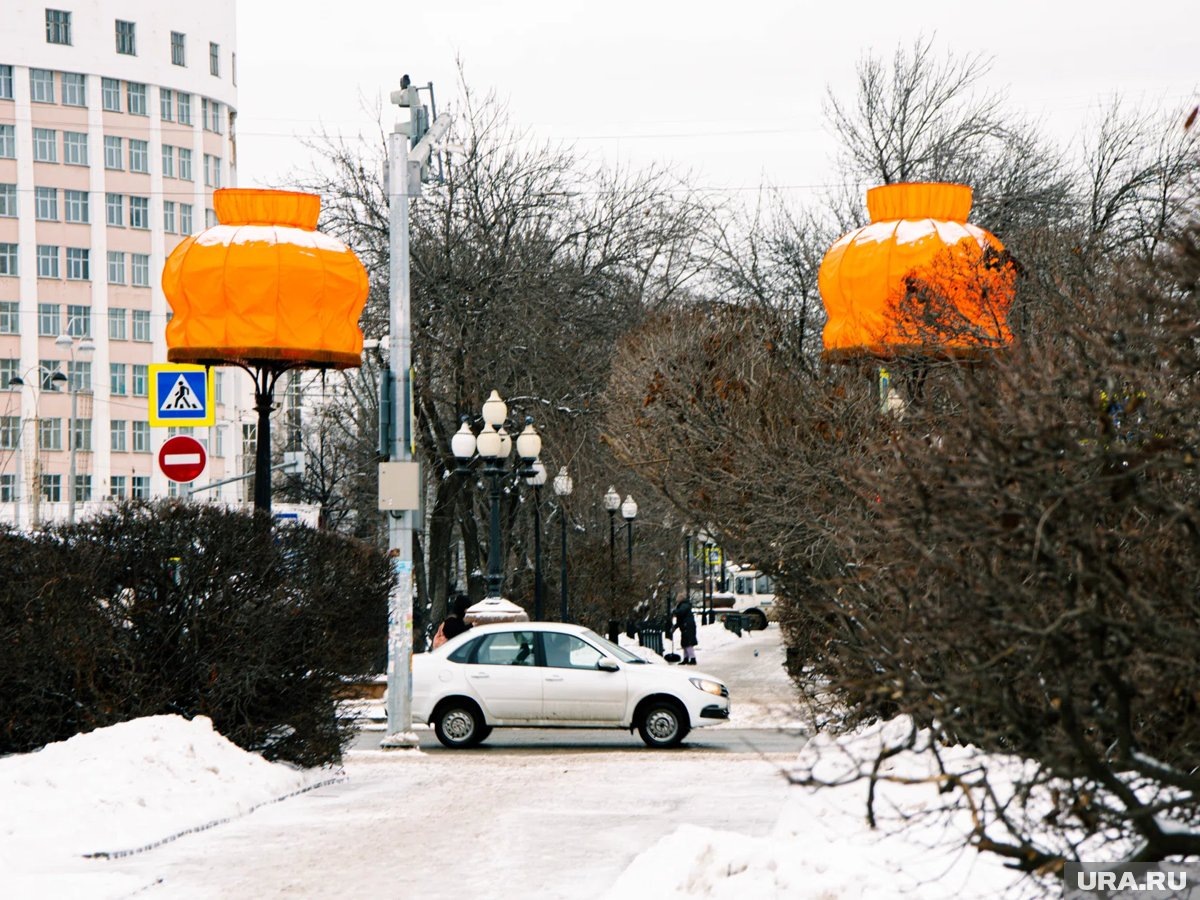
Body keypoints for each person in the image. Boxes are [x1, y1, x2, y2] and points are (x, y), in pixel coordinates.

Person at [673, 598, 698, 665]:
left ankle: (693, 659)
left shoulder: (684, 605)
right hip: (685, 626)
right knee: (685, 643)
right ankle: (686, 658)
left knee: (688, 643)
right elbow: (680, 619)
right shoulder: (683, 605)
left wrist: (674, 611)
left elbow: (680, 612)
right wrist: (675, 627)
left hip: (687, 627)